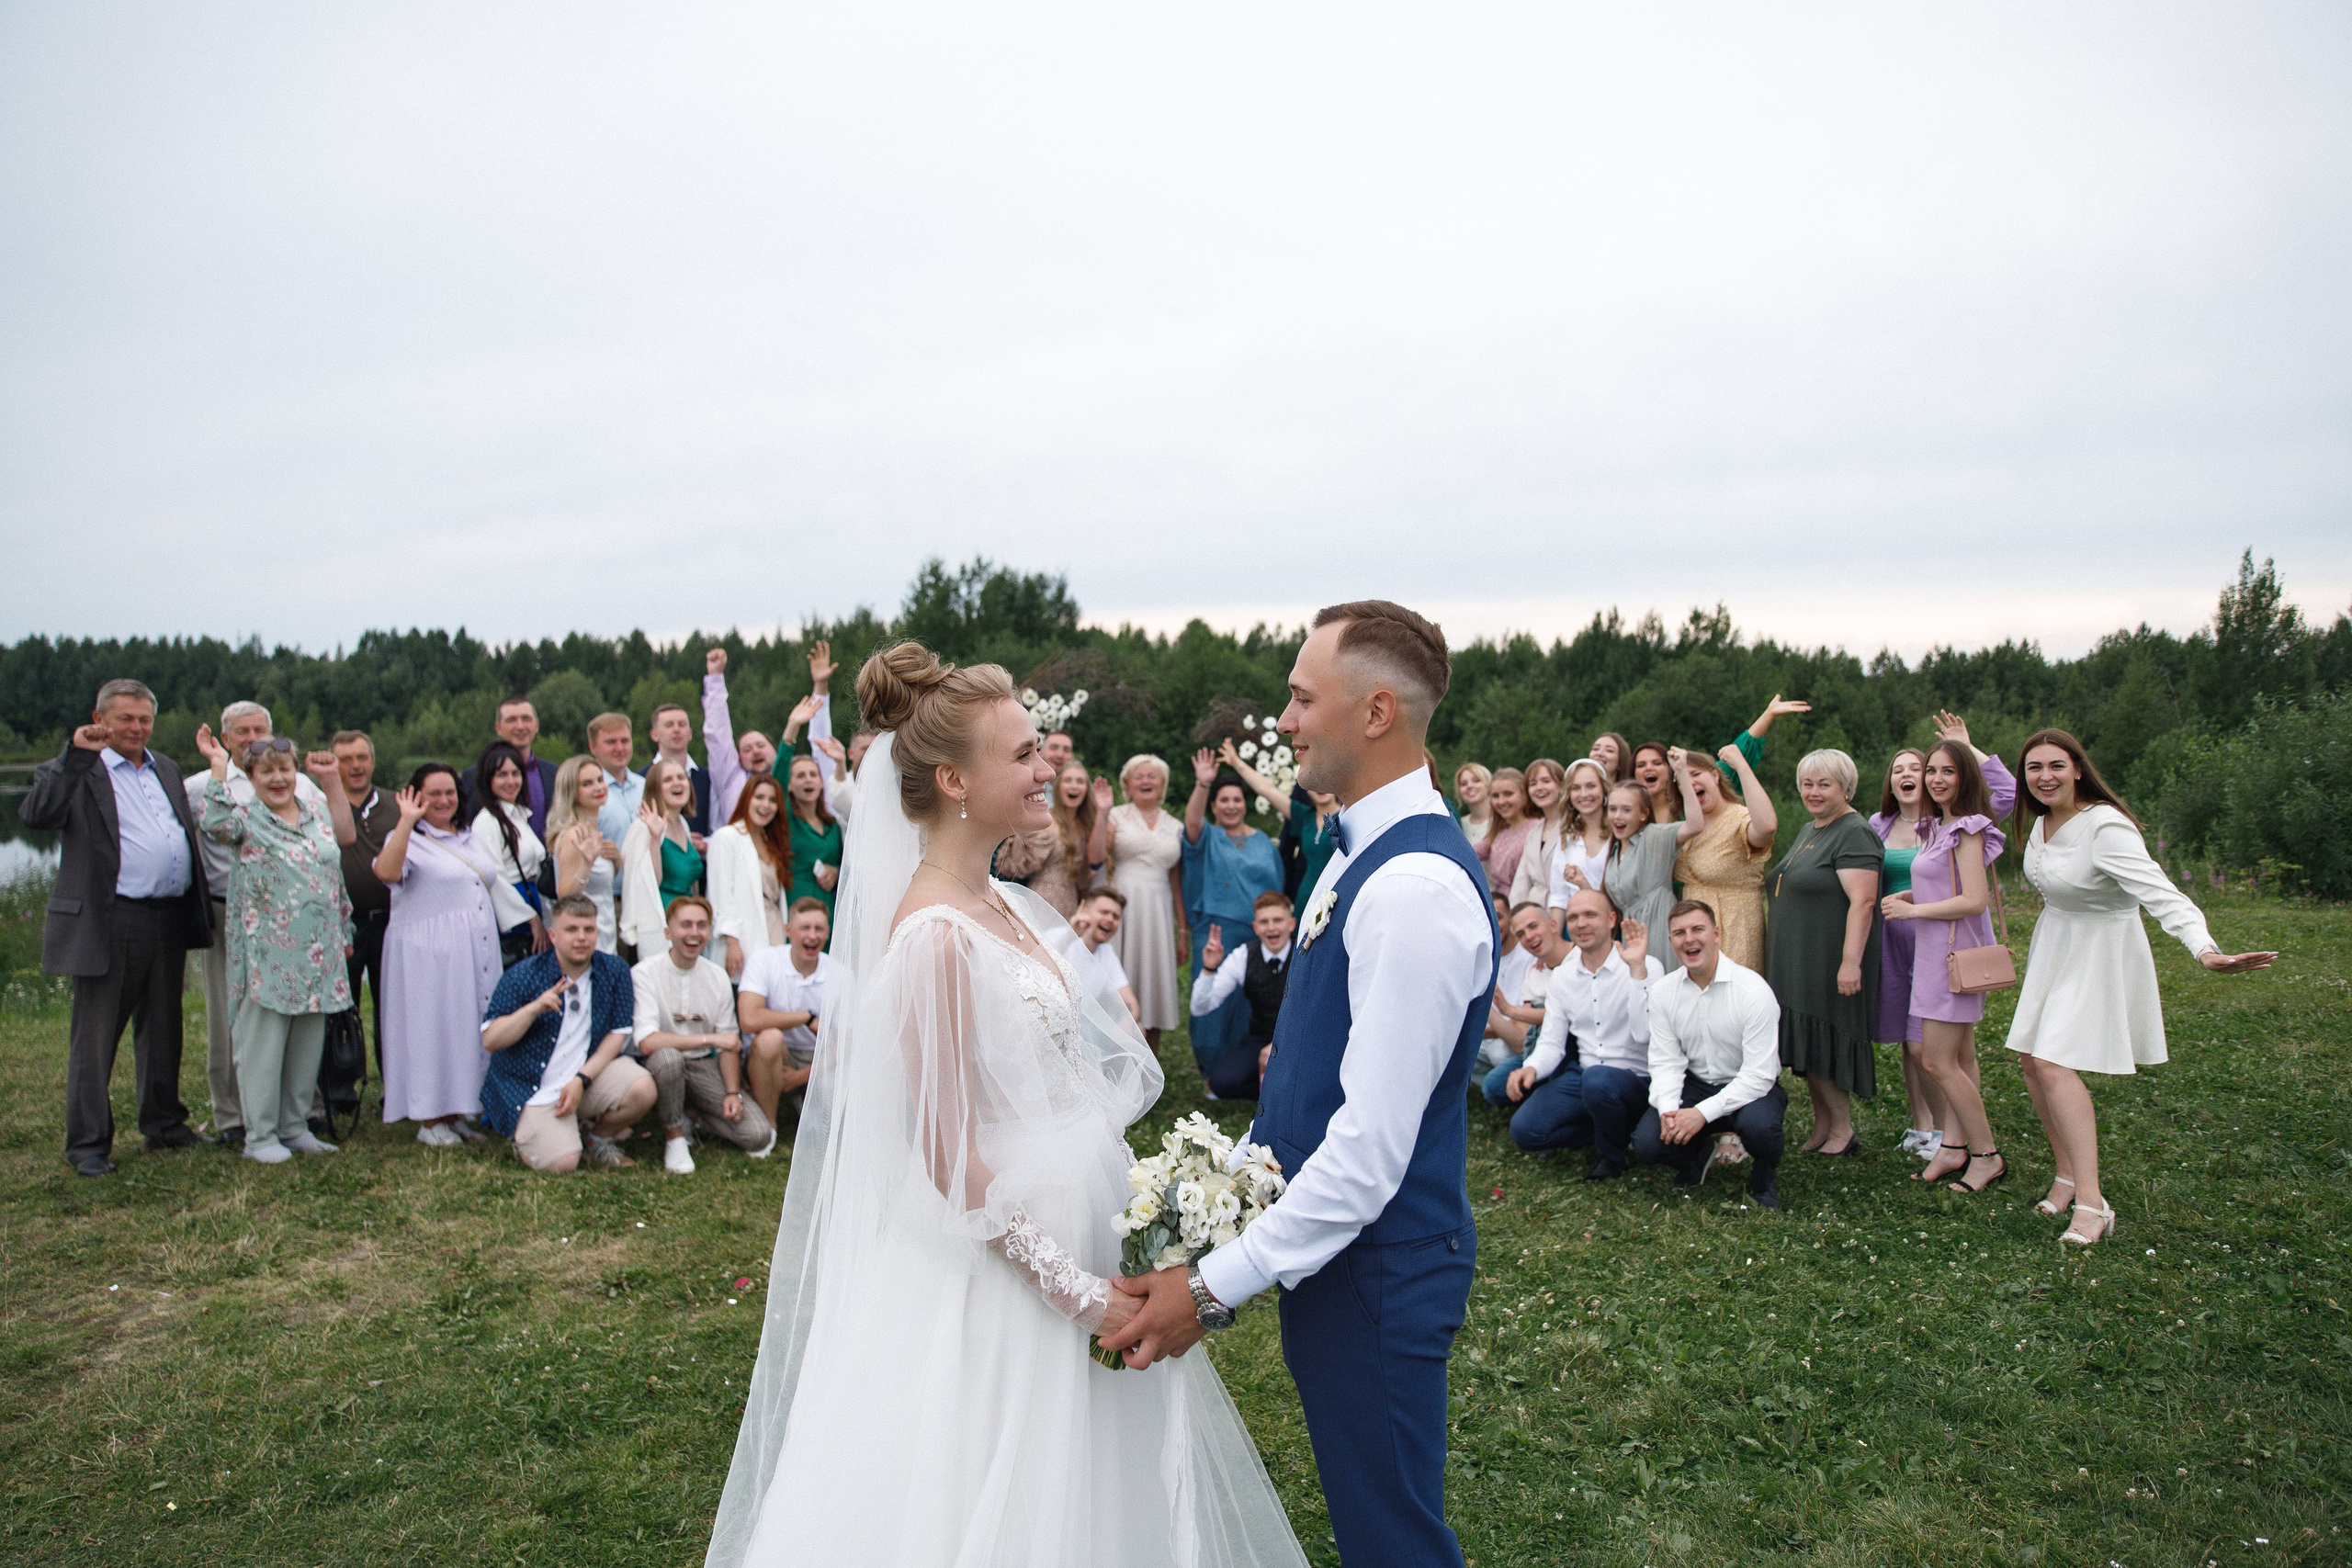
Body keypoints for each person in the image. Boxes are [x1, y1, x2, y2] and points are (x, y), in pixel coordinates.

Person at [705, 639, 1303, 1568]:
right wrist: (1074, 1292)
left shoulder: (1011, 904)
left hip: (1084, 1209)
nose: (1045, 764)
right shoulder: (933, 938)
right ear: (951, 779)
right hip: (1008, 1265)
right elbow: (945, 1152)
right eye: (1022, 752)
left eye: (1038, 748)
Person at [1103, 600, 1495, 1568]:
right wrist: (1200, 1212)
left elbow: (1365, 1156)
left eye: (1298, 696)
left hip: (1381, 1269)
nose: (1279, 721)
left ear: (1374, 713)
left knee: (1392, 1538)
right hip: (1338, 1261)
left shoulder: (1412, 892)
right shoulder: (1348, 852)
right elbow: (1309, 1092)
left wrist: (1211, 1289)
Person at [2002, 728, 2275, 1247]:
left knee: (2055, 1063)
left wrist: (2206, 950)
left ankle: (2092, 1203)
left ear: (2078, 768)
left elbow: (2161, 892)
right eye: (2033, 768)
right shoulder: (2040, 822)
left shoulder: (2105, 826)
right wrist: (1969, 747)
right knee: (2032, 1060)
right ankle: (2064, 1177)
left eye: (2056, 765)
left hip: (2101, 949)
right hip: (2055, 943)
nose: (2045, 776)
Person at [26, 680, 217, 1176]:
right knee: (96, 1037)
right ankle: (88, 1144)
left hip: (168, 916)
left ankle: (164, 1124)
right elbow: (37, 814)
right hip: (111, 918)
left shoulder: (166, 769)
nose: (135, 728)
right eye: (125, 718)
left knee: (163, 1028)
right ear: (100, 718)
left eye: (144, 719)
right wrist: (75, 756)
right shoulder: (76, 768)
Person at [193, 725, 356, 1165]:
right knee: (263, 1048)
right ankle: (260, 1136)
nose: (278, 778)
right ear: (252, 777)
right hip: (268, 955)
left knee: (306, 1046)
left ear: (295, 771)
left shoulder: (315, 813)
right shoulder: (245, 818)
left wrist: (346, 929)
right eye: (267, 772)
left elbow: (332, 874)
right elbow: (213, 822)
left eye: (284, 769)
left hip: (319, 953)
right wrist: (217, 767)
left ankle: (294, 1126)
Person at [1871, 715, 2018, 1164]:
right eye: (1928, 770)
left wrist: (1967, 746)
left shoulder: (1967, 826)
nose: (1932, 779)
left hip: (1949, 951)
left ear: (1962, 777)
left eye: (1943, 771)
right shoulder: (1927, 828)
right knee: (1950, 1055)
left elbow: (1973, 900)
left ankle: (1985, 1153)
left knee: (1935, 1059)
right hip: (1915, 949)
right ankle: (1952, 1146)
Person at [373, 763, 503, 1145]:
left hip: (474, 948)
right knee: (431, 1029)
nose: (443, 800)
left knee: (465, 1027)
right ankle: (429, 1119)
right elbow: (386, 872)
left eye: (450, 792)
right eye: (433, 794)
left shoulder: (468, 836)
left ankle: (456, 1110)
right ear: (415, 796)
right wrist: (406, 822)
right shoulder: (408, 839)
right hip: (428, 954)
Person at [478, 894, 654, 1171]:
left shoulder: (615, 970)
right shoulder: (524, 975)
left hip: (581, 1078)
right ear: (553, 935)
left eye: (589, 929)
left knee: (642, 1088)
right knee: (564, 1164)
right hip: (531, 1087)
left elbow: (617, 1034)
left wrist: (582, 1079)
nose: (581, 937)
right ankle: (527, 1134)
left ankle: (598, 1138)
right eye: (571, 929)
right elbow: (490, 1040)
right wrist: (533, 1009)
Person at [1631, 899, 1788, 1210]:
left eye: (1698, 929)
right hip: (1698, 1082)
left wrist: (1701, 1113)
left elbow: (1760, 1075)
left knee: (1761, 1127)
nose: (1689, 939)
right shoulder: (1664, 992)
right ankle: (1696, 1156)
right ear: (1671, 941)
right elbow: (1665, 1061)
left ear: (1716, 934)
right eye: (1679, 933)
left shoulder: (1753, 991)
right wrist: (1668, 1112)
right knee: (1647, 1143)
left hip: (1750, 1086)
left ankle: (1764, 1177)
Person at [1765, 749, 1883, 1157]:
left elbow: (1864, 902)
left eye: (1824, 784)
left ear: (1846, 787)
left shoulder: (1855, 832)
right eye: (1807, 784)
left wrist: (1850, 962)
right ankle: (1824, 1126)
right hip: (1797, 956)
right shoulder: (1810, 829)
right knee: (1808, 1044)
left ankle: (1843, 1130)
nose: (1813, 792)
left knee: (1824, 1039)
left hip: (1828, 956)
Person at [1505, 892, 1660, 1173]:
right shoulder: (1563, 977)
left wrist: (1637, 971)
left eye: (1590, 915)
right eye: (1573, 917)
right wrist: (1531, 1068)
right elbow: (1552, 1040)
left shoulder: (1647, 966)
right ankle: (1613, 1131)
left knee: (1598, 1081)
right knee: (1525, 1130)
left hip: (1635, 1079)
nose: (1580, 924)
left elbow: (1644, 1035)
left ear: (1611, 920)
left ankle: (1611, 1158)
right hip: (1586, 1076)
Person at [633, 896, 778, 1173]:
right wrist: (708, 1039)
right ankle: (675, 1136)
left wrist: (732, 1092)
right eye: (685, 925)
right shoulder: (645, 973)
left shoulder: (717, 976)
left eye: (702, 926)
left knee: (758, 1135)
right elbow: (647, 1041)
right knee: (669, 1059)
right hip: (662, 1064)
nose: (694, 933)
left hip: (703, 1066)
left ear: (709, 933)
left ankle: (694, 1114)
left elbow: (729, 1044)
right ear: (668, 932)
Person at [1180, 752, 1285, 1082]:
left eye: (1236, 800)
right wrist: (1203, 783)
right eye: (1222, 800)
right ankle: (1212, 1070)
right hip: (1215, 930)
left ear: (1245, 804)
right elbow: (1192, 824)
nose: (1230, 805)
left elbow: (1277, 890)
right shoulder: (1207, 836)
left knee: (1247, 1004)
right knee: (1213, 1003)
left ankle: (1245, 1069)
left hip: (1258, 934)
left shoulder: (1265, 844)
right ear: (1214, 806)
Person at [331, 730, 404, 1067]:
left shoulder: (396, 805)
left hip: (391, 919)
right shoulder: (321, 806)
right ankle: (342, 1085)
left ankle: (395, 1085)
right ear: (334, 766)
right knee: (341, 1007)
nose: (355, 766)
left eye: (361, 758)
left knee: (392, 1007)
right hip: (341, 923)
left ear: (373, 761)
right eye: (346, 760)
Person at [1670, 742, 1777, 969]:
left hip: (1735, 927)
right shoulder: (1688, 825)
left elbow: (1767, 827)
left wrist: (1741, 765)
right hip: (1694, 936)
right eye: (1683, 779)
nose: (1690, 782)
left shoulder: (1738, 818)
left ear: (1716, 776)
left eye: (1696, 774)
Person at [1104, 753, 1186, 1048]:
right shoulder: (1114, 815)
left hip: (1159, 910)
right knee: (1118, 978)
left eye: (1152, 776)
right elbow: (1098, 859)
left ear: (1162, 784)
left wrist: (1183, 930)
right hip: (1122, 906)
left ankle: (1150, 1063)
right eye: (1139, 776)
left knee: (1154, 980)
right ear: (1127, 783)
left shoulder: (1175, 826)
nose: (1146, 781)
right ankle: (1113, 1059)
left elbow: (1176, 882)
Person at [1187, 889, 1296, 1099]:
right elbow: (1200, 1008)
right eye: (1264, 922)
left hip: (1298, 1039)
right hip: (1259, 1037)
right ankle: (1271, 1087)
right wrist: (1209, 969)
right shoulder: (1243, 955)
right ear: (1255, 928)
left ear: (1291, 924)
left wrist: (1280, 1045)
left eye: (1277, 920)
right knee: (1222, 1082)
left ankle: (1281, 1085)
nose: (1271, 927)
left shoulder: (1304, 953)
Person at [737, 897, 834, 1129]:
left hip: (819, 1060)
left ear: (828, 933)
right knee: (770, 1038)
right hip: (775, 1055)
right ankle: (768, 1125)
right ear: (788, 930)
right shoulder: (763, 961)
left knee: (829, 1128)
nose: (812, 936)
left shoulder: (838, 972)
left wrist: (799, 1078)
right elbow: (748, 1019)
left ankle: (804, 1103)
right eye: (804, 928)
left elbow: (847, 1044)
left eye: (819, 929)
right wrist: (806, 1017)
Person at [703, 645, 821, 827]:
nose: (755, 752)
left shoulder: (795, 783)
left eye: (760, 745)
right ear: (738, 759)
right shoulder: (732, 781)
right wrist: (715, 678)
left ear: (774, 750)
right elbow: (718, 736)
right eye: (747, 750)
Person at [1222, 737, 1340, 906]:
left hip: (1337, 898)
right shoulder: (1304, 816)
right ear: (1305, 788)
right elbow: (1266, 790)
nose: (1320, 787)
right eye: (1314, 781)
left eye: (1325, 778)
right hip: (1307, 899)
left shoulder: (1348, 816)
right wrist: (1236, 762)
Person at [1602, 780, 1703, 966]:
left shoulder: (1654, 836)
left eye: (1626, 810)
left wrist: (1681, 773)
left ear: (1643, 814)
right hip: (1631, 934)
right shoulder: (1613, 849)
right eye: (1613, 809)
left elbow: (1696, 824)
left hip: (1658, 925)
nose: (1617, 816)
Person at [467, 739, 549, 968]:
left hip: (534, 903)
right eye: (502, 775)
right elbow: (493, 876)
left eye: (515, 774)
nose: (511, 781)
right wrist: (529, 918)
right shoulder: (487, 822)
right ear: (488, 779)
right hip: (516, 917)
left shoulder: (519, 816)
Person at [993, 760, 1111, 919]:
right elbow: (1014, 868)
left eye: (1080, 781)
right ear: (1058, 787)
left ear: (1086, 789)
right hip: (1041, 900)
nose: (1074, 786)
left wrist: (1102, 812)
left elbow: (1095, 862)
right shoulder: (1045, 820)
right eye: (1068, 780)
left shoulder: (1086, 826)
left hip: (1071, 902)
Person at [1478, 902, 1567, 1104]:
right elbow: (1521, 1039)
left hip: (1574, 1052)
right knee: (1493, 1086)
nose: (1528, 936)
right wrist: (1490, 1005)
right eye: (1520, 933)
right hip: (1539, 1049)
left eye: (1533, 927)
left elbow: (1567, 1012)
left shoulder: (1579, 959)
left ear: (1553, 925)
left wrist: (1509, 1009)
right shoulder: (1534, 973)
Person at [709, 772, 793, 980]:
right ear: (747, 799)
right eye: (759, 797)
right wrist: (732, 943)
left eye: (772, 800)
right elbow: (721, 897)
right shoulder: (727, 837)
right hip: (743, 935)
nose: (766, 805)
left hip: (773, 929)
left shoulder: (772, 843)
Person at [618, 758, 705, 955]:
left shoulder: (682, 823)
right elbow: (646, 883)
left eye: (681, 777)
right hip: (659, 924)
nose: (677, 783)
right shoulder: (643, 828)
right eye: (668, 780)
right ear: (655, 789)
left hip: (688, 924)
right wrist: (655, 840)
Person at [459, 697, 560, 840]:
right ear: (498, 728)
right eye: (511, 720)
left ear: (536, 725)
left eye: (526, 719)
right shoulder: (475, 775)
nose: (520, 726)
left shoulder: (555, 773)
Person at [547, 756, 619, 954]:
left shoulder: (594, 833)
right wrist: (586, 863)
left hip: (605, 933)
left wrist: (616, 860)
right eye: (587, 784)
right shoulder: (574, 836)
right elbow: (565, 895)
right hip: (585, 942)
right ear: (571, 791)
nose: (598, 787)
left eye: (599, 780)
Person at [1545, 758, 1613, 920]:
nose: (1584, 794)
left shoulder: (1618, 833)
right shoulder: (1567, 837)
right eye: (1576, 788)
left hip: (1615, 922)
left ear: (1603, 789)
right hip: (1577, 923)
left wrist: (1583, 884)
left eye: (1591, 786)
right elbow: (1559, 895)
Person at [1071, 886, 1144, 1024]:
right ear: (1084, 910)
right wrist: (1070, 934)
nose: (1110, 919)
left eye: (1116, 917)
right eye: (1104, 912)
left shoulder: (1107, 954)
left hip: (1085, 1026)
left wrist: (1126, 1022)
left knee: (1137, 1029)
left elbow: (1130, 1003)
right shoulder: (1058, 937)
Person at [784, 753, 842, 920]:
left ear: (821, 782)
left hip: (828, 907)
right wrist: (792, 731)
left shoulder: (833, 825)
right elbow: (778, 775)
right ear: (789, 785)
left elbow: (846, 863)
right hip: (797, 903)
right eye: (800, 776)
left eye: (813, 774)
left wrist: (836, 872)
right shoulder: (786, 820)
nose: (808, 779)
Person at [1508, 758, 1571, 912]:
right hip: (1535, 912)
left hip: (1565, 909)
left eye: (1546, 781)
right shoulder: (1533, 834)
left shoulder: (1573, 827)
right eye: (1533, 783)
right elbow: (1521, 881)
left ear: (1561, 786)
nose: (1539, 788)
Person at [647, 701, 713, 835]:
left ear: (690, 733)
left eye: (682, 725)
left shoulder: (707, 778)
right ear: (654, 734)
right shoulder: (643, 778)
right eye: (669, 725)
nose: (676, 729)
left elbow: (716, 825)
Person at [1481, 765, 1533, 895]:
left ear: (1524, 794)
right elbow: (1469, 851)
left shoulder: (1536, 828)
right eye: (1496, 796)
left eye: (1508, 794)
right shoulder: (1498, 832)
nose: (1501, 801)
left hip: (1525, 901)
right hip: (1499, 902)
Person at [1453, 761, 1493, 849]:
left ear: (1488, 785)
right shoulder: (1458, 825)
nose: (1469, 786)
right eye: (1464, 784)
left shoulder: (1502, 820)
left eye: (1476, 781)